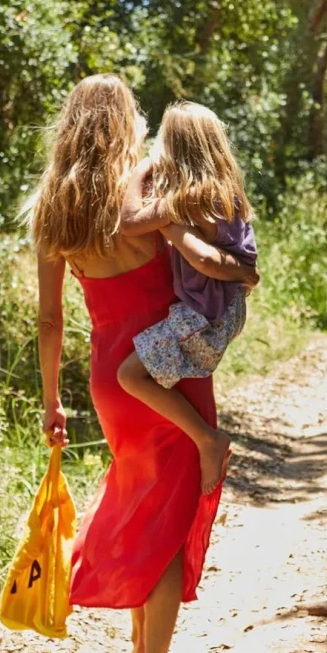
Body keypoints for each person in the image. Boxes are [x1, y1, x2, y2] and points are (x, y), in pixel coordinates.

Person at [27, 74, 258, 653]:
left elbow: (49, 322)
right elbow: (212, 242)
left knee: (143, 500)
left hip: (111, 377)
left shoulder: (54, 209)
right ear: (128, 120)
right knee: (167, 517)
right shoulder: (150, 185)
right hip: (170, 375)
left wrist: (52, 404)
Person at [117, 101, 257, 495]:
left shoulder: (183, 200)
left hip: (204, 315)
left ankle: (207, 439)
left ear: (172, 149)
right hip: (225, 310)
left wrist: (143, 168)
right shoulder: (224, 194)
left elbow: (128, 223)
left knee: (129, 375)